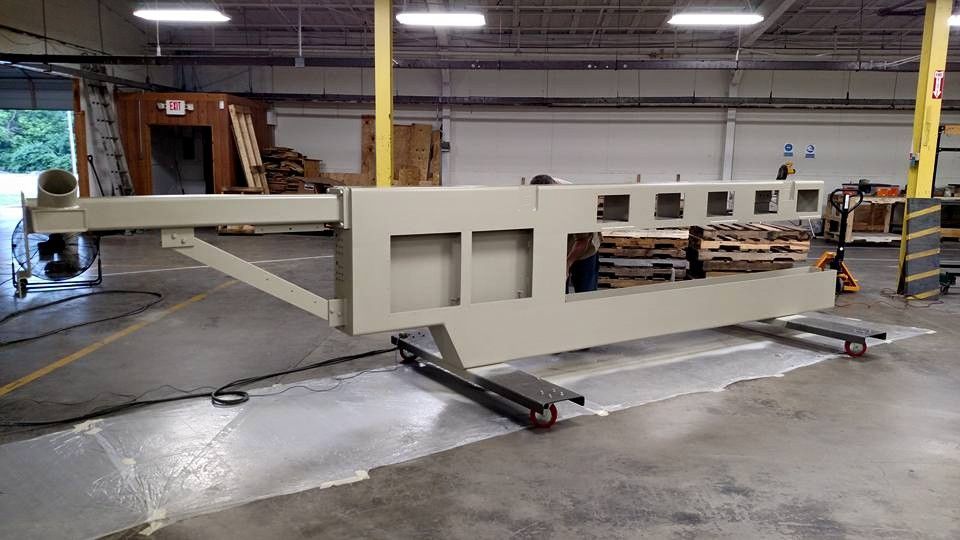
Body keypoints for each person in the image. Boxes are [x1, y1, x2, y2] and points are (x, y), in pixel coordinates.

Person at [529, 174, 601, 293]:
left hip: (585, 248)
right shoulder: (536, 193)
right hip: (559, 247)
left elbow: (582, 240)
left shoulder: (577, 201)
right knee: (558, 290)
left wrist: (567, 263)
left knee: (585, 291)